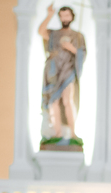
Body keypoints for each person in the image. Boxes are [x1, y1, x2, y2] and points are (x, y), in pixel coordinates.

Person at [39, 4, 86, 143]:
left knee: (67, 100)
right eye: (62, 15)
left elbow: (82, 52)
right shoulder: (54, 34)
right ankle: (57, 133)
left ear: (72, 17)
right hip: (54, 71)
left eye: (67, 15)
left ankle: (72, 133)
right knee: (54, 101)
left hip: (68, 70)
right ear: (59, 17)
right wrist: (49, 15)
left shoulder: (77, 36)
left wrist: (72, 48)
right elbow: (41, 31)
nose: (65, 18)